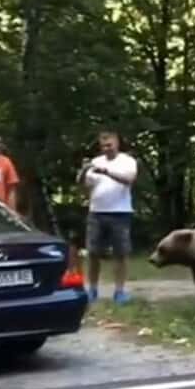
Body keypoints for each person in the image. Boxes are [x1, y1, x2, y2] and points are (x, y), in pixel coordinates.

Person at [78, 128, 137, 304]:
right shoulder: (95, 161)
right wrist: (83, 171)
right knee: (93, 253)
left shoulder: (127, 161)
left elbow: (129, 179)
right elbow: (84, 185)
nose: (107, 148)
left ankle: (119, 291)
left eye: (110, 144)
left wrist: (106, 172)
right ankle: (92, 290)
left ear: (117, 143)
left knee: (120, 253)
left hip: (120, 213)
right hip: (96, 213)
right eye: (103, 145)